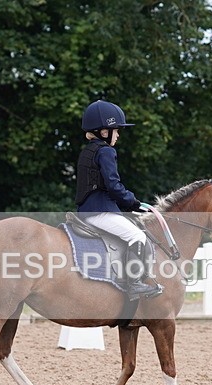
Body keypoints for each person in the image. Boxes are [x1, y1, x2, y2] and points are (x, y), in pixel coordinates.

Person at [75, 99, 162, 301]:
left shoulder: (87, 151)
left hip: (86, 210)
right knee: (137, 237)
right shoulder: (106, 151)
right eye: (116, 129)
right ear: (104, 131)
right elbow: (114, 186)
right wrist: (134, 203)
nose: (118, 134)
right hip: (100, 211)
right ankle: (134, 285)